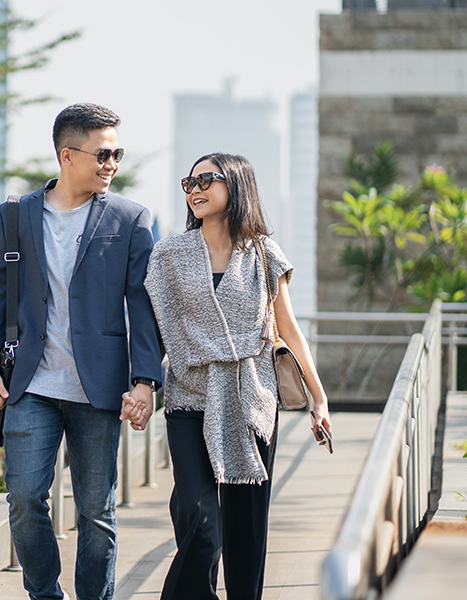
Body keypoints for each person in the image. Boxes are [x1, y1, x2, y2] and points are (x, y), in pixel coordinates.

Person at [0, 102, 164, 600]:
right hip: (31, 383)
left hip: (98, 386)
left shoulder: (132, 219)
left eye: (118, 153)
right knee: (23, 500)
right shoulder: (13, 216)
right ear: (67, 155)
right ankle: (45, 595)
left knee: (96, 512)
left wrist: (145, 381)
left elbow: (144, 308)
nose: (112, 164)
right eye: (103, 153)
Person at [136, 153, 333, 600]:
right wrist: (143, 385)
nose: (194, 189)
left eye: (206, 179)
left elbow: (289, 328)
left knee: (246, 527)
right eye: (189, 181)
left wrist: (318, 399)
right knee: (200, 519)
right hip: (189, 396)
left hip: (252, 398)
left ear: (237, 185)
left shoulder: (263, 252)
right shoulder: (168, 253)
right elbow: (155, 329)